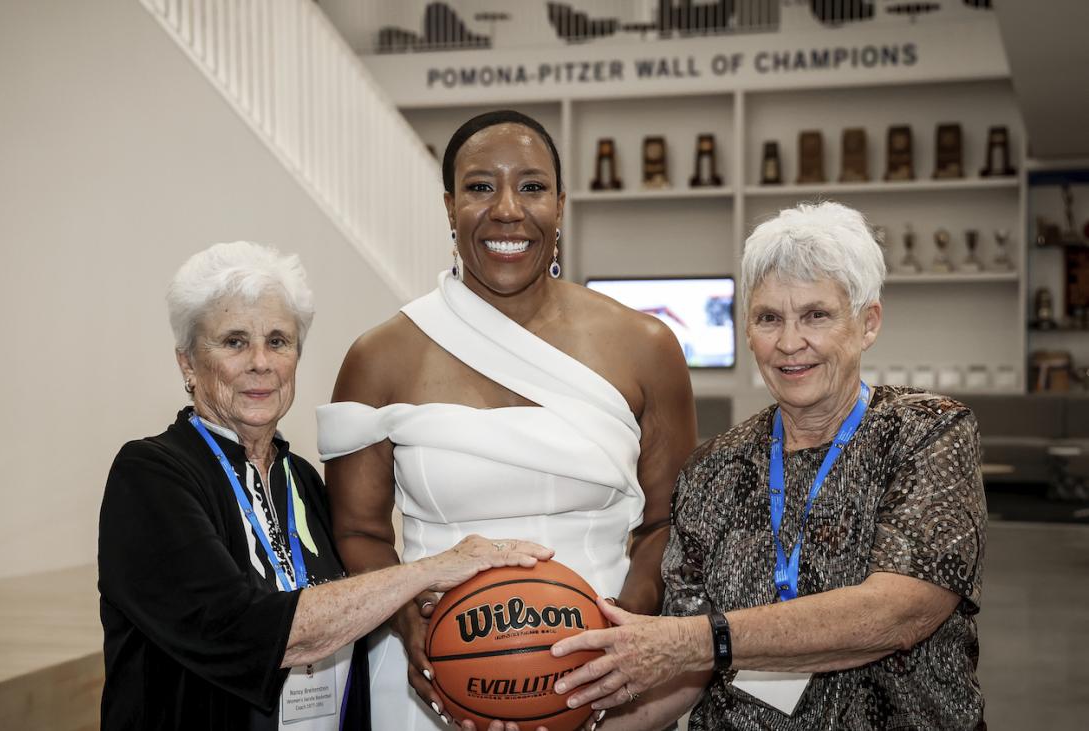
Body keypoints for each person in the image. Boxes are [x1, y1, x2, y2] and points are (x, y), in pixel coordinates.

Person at [317, 109, 697, 730]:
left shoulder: (645, 346)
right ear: (449, 206)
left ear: (561, 203)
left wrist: (622, 645)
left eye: (531, 186)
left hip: (605, 681)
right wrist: (411, 619)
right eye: (480, 187)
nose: (507, 210)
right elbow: (358, 532)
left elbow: (667, 522)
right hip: (435, 682)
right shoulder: (378, 357)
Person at [552, 201, 987, 730]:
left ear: (867, 322)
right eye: (769, 318)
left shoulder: (924, 434)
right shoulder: (714, 470)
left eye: (816, 315)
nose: (788, 343)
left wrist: (699, 641)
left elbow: (897, 613)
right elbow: (680, 676)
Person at [97, 240, 553, 730]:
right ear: (188, 363)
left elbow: (355, 614)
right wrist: (432, 568)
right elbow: (248, 631)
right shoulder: (150, 476)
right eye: (233, 342)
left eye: (278, 341)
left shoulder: (304, 481)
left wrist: (481, 678)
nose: (260, 362)